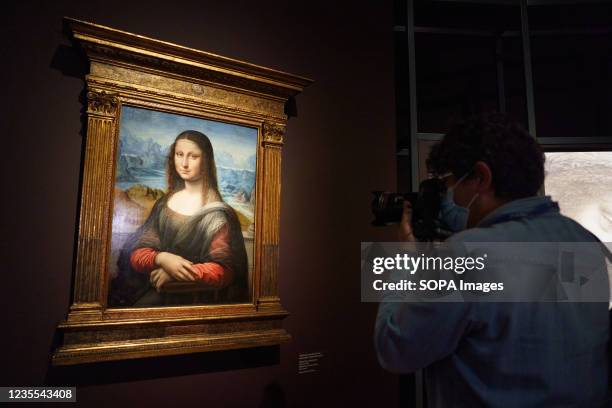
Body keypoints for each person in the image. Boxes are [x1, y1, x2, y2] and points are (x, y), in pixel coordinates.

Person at [375, 113, 610, 407]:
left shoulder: (466, 254)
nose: (448, 197)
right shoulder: (585, 242)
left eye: (449, 184)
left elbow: (394, 348)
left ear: (481, 178)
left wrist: (405, 263)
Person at [112, 130, 248, 306]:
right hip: (156, 288)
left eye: (193, 157)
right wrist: (162, 259)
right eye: (179, 154)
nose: (184, 163)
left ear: (206, 161)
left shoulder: (217, 215)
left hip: (197, 298)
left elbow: (224, 271)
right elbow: (137, 253)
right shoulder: (164, 204)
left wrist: (176, 272)